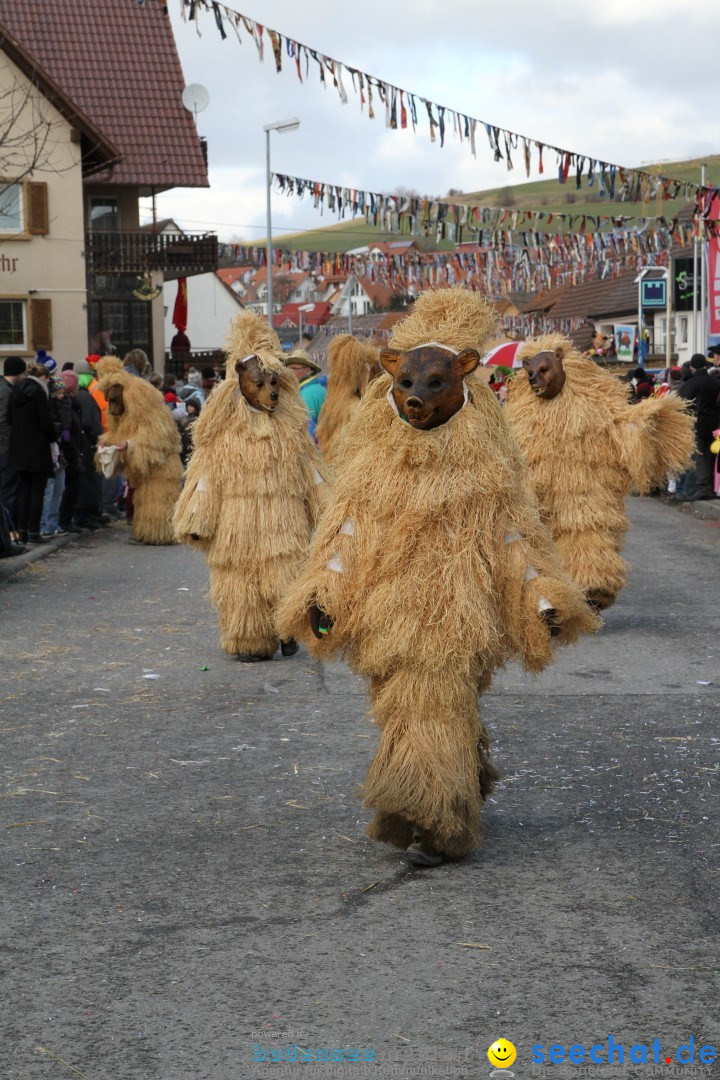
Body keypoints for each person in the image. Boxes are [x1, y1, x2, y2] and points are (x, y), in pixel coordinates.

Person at [278, 289, 596, 866]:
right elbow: (346, 533)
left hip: (457, 613)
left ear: (464, 383)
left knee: (435, 702)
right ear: (391, 381)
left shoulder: (487, 471)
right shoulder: (375, 466)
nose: (417, 399)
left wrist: (541, 596)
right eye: (407, 386)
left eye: (433, 386)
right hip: (388, 611)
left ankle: (437, 819)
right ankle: (457, 778)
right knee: (407, 707)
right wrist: (323, 593)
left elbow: (513, 540)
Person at [173, 311, 329, 659]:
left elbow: (313, 474)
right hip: (236, 530)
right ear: (239, 384)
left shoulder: (292, 432)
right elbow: (205, 480)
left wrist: (327, 510)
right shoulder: (222, 437)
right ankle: (250, 640)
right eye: (259, 384)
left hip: (283, 526)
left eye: (274, 383)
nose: (269, 392)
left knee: (285, 578)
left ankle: (286, 629)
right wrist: (197, 519)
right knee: (240, 586)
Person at [7, 361, 57, 544]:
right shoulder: (39, 392)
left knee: (24, 492)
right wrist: (54, 437)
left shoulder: (16, 391)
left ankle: (22, 533)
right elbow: (45, 422)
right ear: (43, 378)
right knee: (37, 492)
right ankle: (34, 532)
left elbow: (9, 418)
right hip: (37, 449)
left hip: (18, 448)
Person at [677, 353, 720, 501]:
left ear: (692, 367)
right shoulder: (715, 382)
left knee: (699, 456)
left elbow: (682, 404)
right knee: (711, 457)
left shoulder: (691, 383)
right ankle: (711, 488)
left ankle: (703, 488)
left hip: (697, 423)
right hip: (714, 425)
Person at [1, 356, 27, 533]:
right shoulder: (6, 392)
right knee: (8, 489)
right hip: (6, 448)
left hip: (6, 446)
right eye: (24, 372)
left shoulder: (7, 389)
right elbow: (4, 420)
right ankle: (9, 533)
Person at [57, 370, 85, 535]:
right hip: (69, 453)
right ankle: (64, 520)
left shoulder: (71, 404)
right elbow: (66, 432)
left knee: (71, 487)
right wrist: (73, 453)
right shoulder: (66, 406)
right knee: (68, 488)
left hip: (72, 451)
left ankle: (66, 519)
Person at [285, 350, 327, 440]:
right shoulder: (318, 388)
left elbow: (308, 433)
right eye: (288, 368)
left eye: (293, 368)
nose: (289, 372)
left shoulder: (307, 394)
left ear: (307, 370)